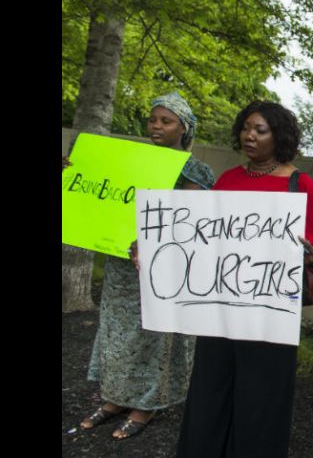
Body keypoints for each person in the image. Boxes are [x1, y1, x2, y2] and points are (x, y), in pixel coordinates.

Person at [175, 100, 313, 458]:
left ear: (278, 136)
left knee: (260, 397)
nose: (250, 135)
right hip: (220, 312)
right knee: (210, 390)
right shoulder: (228, 179)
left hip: (269, 315)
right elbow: (201, 237)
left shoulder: (300, 184)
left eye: (260, 130)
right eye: (246, 128)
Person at [77, 92, 216, 440]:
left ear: (184, 128)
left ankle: (147, 405)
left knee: (157, 336)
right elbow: (101, 193)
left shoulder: (196, 170)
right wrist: (74, 171)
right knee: (118, 331)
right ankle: (116, 399)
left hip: (163, 266)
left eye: (166, 120)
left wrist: (153, 239)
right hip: (122, 263)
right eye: (153, 119)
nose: (156, 125)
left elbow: (191, 220)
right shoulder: (130, 160)